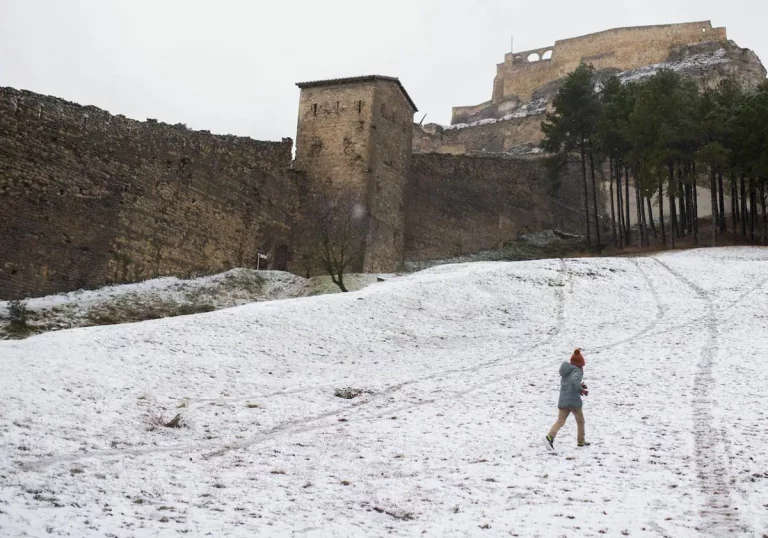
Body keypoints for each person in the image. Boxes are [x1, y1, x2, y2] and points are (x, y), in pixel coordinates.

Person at [545, 348, 590, 450]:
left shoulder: (566, 371)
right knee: (580, 421)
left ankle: (550, 437)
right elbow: (574, 381)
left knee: (560, 421)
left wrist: (580, 386)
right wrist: (581, 390)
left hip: (563, 400)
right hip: (573, 401)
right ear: (580, 364)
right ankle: (581, 441)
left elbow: (570, 383)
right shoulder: (577, 371)